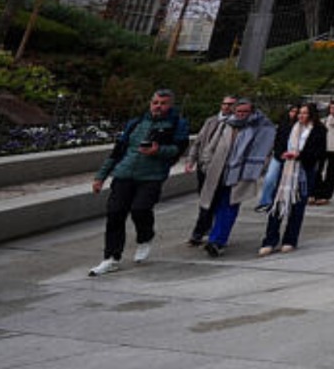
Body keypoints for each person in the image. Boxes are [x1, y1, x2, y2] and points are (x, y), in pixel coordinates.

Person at [88, 89, 189, 276]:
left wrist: (158, 151)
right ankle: (111, 258)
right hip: (124, 173)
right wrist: (100, 177)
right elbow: (117, 151)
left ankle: (145, 237)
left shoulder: (177, 124)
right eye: (155, 102)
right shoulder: (136, 123)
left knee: (140, 209)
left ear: (170, 105)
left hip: (151, 176)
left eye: (163, 103)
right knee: (115, 213)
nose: (158, 106)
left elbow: (178, 149)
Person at [202, 98, 275, 257]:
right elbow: (212, 145)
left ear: (252, 112)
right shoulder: (227, 124)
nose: (241, 115)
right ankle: (214, 236)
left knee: (229, 206)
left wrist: (257, 168)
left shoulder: (261, 128)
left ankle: (217, 241)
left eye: (245, 112)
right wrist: (206, 164)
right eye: (239, 112)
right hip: (219, 171)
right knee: (215, 205)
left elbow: (267, 151)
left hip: (241, 174)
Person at [260, 101, 328, 255]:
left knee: (298, 206)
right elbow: (278, 146)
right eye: (299, 113)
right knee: (277, 203)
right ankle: (270, 240)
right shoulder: (288, 127)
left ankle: (290, 239)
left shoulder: (319, 130)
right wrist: (283, 155)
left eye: (305, 113)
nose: (301, 116)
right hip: (286, 169)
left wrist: (301, 155)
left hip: (305, 170)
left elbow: (320, 152)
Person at [185, 95, 236, 246]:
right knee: (204, 199)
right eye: (225, 104)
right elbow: (198, 142)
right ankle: (206, 227)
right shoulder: (211, 121)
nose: (227, 107)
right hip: (204, 166)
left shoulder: (237, 125)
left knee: (213, 200)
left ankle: (198, 233)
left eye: (231, 104)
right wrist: (191, 161)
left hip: (221, 168)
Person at [254, 103, 299, 211]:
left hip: (293, 157)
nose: (293, 114)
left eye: (296, 112)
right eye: (292, 111)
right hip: (279, 155)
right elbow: (277, 140)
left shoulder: (300, 127)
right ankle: (265, 201)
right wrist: (279, 153)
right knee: (270, 179)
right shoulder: (283, 125)